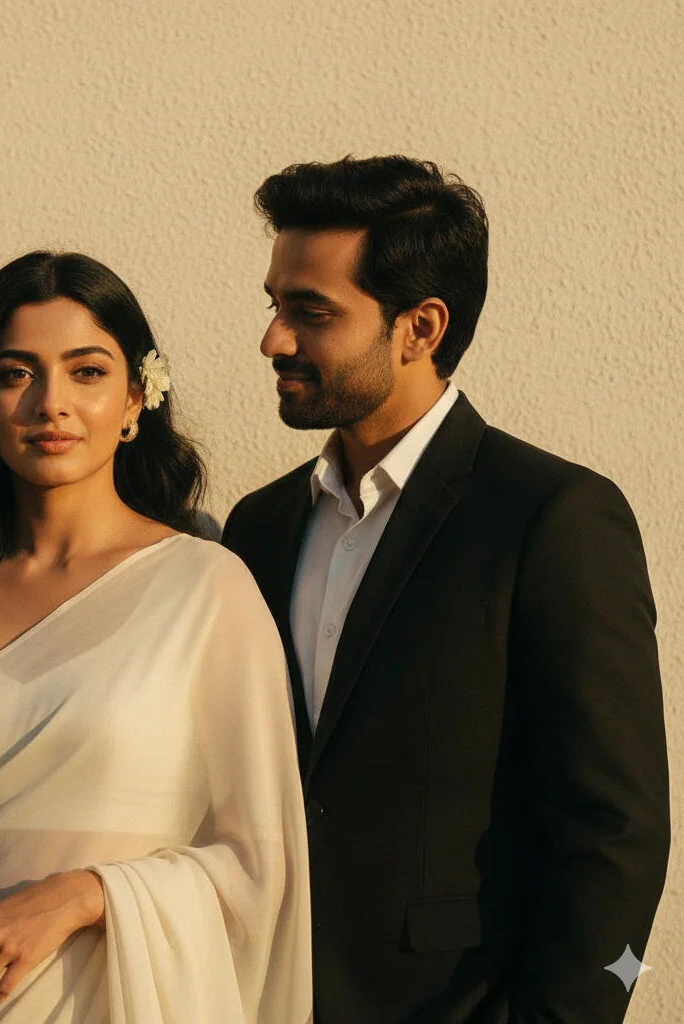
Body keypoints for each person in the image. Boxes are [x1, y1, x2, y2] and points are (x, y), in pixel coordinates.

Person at [220, 155, 670, 1023]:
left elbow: (616, 830)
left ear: (420, 327)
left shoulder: (552, 516)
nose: (273, 340)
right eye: (275, 306)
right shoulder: (259, 527)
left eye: (310, 312)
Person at [0, 251, 312, 1023]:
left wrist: (87, 894)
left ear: (135, 400)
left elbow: (262, 864)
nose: (51, 403)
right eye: (16, 374)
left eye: (86, 372)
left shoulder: (205, 589)